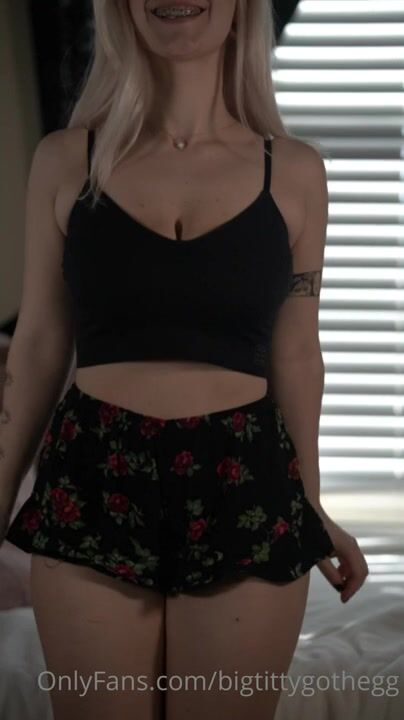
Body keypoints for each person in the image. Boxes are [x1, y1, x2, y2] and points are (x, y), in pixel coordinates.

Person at [1, 1, 369, 719]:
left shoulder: (295, 172)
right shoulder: (65, 159)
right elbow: (40, 342)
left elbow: (297, 351)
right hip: (93, 480)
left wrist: (312, 504)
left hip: (248, 484)